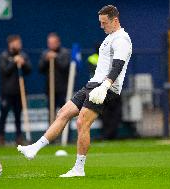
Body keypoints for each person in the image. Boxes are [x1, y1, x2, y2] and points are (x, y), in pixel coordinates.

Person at [18, 5, 132, 177]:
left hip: (105, 88)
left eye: (104, 22)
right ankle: (34, 148)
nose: (101, 26)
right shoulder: (109, 37)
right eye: (100, 22)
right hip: (93, 84)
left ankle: (79, 169)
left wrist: (105, 86)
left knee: (81, 123)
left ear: (115, 20)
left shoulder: (122, 39)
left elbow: (118, 66)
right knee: (63, 112)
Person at [0, 35, 32, 145]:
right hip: (7, 92)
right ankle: (1, 137)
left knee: (18, 116)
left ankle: (19, 138)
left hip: (19, 92)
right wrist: (13, 62)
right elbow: (5, 71)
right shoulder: (3, 56)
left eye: (20, 43)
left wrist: (23, 63)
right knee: (3, 115)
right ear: (11, 44)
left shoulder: (23, 55)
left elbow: (28, 70)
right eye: (17, 43)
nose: (19, 45)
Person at [87, 43, 122, 140]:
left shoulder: (93, 58)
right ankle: (109, 134)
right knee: (111, 113)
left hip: (104, 89)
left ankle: (108, 134)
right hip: (108, 89)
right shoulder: (103, 59)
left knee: (107, 113)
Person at [38, 33, 70, 108]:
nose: (51, 45)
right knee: (51, 110)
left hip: (62, 88)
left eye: (53, 43)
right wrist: (46, 60)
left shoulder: (64, 53)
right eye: (49, 43)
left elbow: (65, 67)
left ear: (58, 42)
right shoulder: (45, 54)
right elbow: (40, 69)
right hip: (50, 88)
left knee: (63, 111)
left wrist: (56, 58)